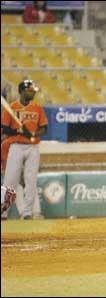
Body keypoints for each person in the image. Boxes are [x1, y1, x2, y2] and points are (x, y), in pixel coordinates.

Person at [1, 79, 48, 219]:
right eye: (30, 91)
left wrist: (34, 134)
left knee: (31, 180)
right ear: (21, 91)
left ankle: (27, 212)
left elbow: (44, 128)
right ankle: (3, 212)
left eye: (33, 91)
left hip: (33, 147)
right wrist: (19, 131)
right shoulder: (12, 107)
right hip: (16, 146)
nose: (32, 93)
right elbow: (4, 129)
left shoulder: (37, 108)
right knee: (10, 180)